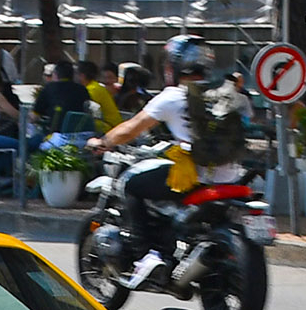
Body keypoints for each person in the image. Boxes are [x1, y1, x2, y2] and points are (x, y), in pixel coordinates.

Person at [90, 34, 245, 280]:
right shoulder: (227, 93)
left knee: (131, 184)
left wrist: (103, 142)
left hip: (194, 177)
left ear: (174, 64)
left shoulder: (174, 96)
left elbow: (131, 128)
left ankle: (147, 256)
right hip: (232, 177)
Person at [33, 61, 93, 130]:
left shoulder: (49, 88)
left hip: (56, 135)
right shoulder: (83, 90)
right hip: (79, 133)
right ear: (73, 75)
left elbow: (35, 116)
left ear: (55, 74)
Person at [78, 60, 120, 132]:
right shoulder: (94, 86)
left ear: (82, 76)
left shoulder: (93, 89)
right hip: (108, 125)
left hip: (110, 127)